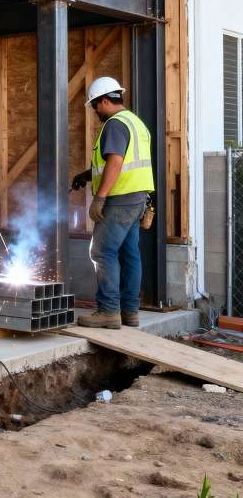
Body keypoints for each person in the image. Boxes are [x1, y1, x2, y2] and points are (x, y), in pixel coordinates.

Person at [72, 76, 155, 329]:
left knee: (101, 252)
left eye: (95, 105)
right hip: (137, 199)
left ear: (106, 100)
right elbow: (120, 163)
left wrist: (99, 198)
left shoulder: (115, 124)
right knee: (130, 255)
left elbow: (116, 162)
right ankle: (130, 312)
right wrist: (86, 176)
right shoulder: (136, 122)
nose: (95, 111)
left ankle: (108, 311)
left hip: (119, 200)